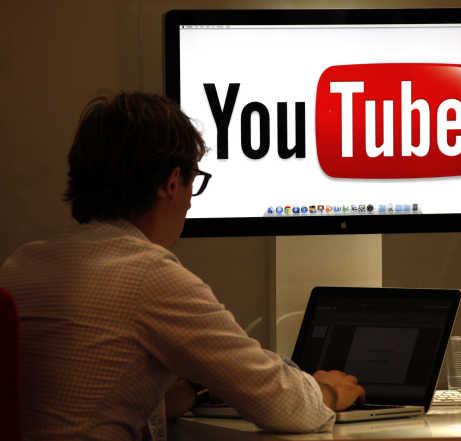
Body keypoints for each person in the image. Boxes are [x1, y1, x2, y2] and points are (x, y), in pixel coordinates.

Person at [0, 92, 365, 441]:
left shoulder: (22, 263)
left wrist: (177, 396)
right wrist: (326, 392)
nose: (190, 204)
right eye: (194, 184)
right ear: (172, 183)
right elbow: (283, 406)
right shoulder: (148, 274)